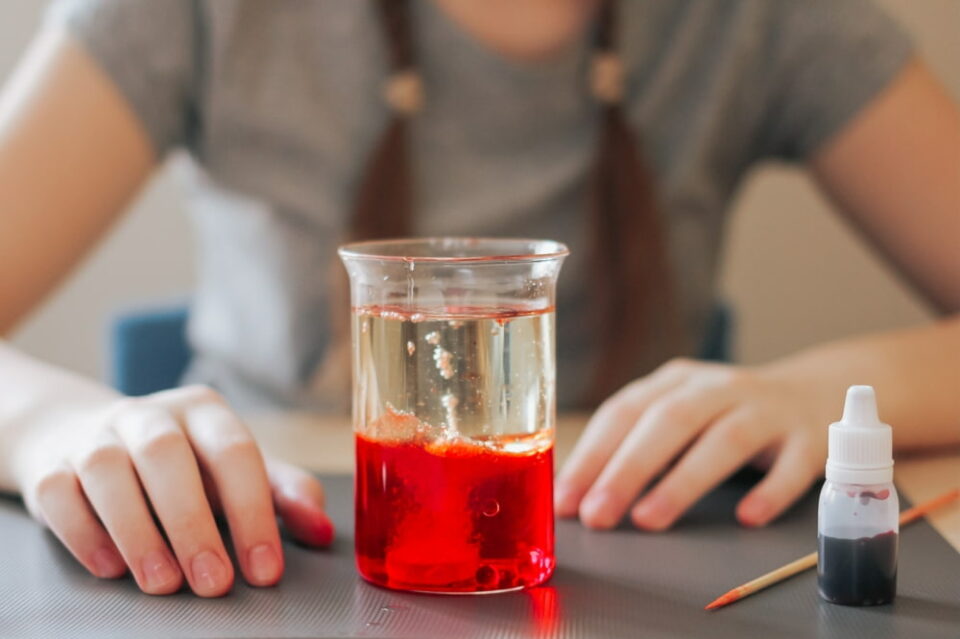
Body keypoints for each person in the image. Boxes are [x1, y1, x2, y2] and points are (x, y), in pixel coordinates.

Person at [0, 0, 957, 598]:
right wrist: (45, 420)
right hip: (269, 541)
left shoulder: (757, 21)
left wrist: (836, 393)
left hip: (614, 552)